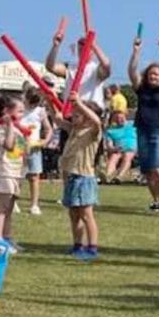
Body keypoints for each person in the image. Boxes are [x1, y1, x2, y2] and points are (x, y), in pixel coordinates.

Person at [128, 35, 159, 214]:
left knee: (157, 167)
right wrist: (136, 52)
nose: (153, 77)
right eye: (150, 74)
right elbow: (132, 71)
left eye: (156, 74)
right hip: (142, 129)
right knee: (147, 169)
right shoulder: (142, 89)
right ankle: (155, 200)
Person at [53, 95, 104, 260]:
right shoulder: (74, 130)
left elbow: (96, 121)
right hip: (71, 178)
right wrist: (49, 99)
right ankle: (77, 245)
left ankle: (92, 247)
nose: (73, 117)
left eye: (78, 115)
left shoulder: (93, 132)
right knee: (74, 215)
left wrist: (80, 104)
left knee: (86, 215)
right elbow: (58, 119)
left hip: (84, 178)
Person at [0, 96, 27, 252]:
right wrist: (9, 125)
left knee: (9, 208)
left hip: (16, 171)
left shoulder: (19, 128)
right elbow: (9, 146)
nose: (22, 114)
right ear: (7, 111)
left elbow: (21, 150)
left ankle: (7, 237)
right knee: (2, 208)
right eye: (19, 111)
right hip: (3, 171)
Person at [45, 28, 112, 110]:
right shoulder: (69, 67)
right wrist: (55, 46)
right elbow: (50, 67)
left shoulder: (96, 69)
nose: (83, 46)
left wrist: (93, 44)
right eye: (80, 43)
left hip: (90, 114)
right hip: (72, 114)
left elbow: (106, 65)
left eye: (86, 43)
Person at [21, 86, 54, 215]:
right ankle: (13, 202)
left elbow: (48, 129)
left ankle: (34, 204)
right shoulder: (20, 108)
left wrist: (45, 141)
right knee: (18, 175)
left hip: (34, 146)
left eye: (36, 102)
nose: (33, 105)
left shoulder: (40, 111)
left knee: (34, 176)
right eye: (31, 101)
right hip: (19, 145)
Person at [102, 112, 136, 184]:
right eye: (116, 118)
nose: (119, 120)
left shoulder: (133, 124)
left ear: (125, 116)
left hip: (132, 148)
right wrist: (114, 149)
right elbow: (109, 145)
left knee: (127, 156)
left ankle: (119, 177)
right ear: (114, 120)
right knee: (114, 157)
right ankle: (108, 177)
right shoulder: (110, 131)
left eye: (121, 117)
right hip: (118, 149)